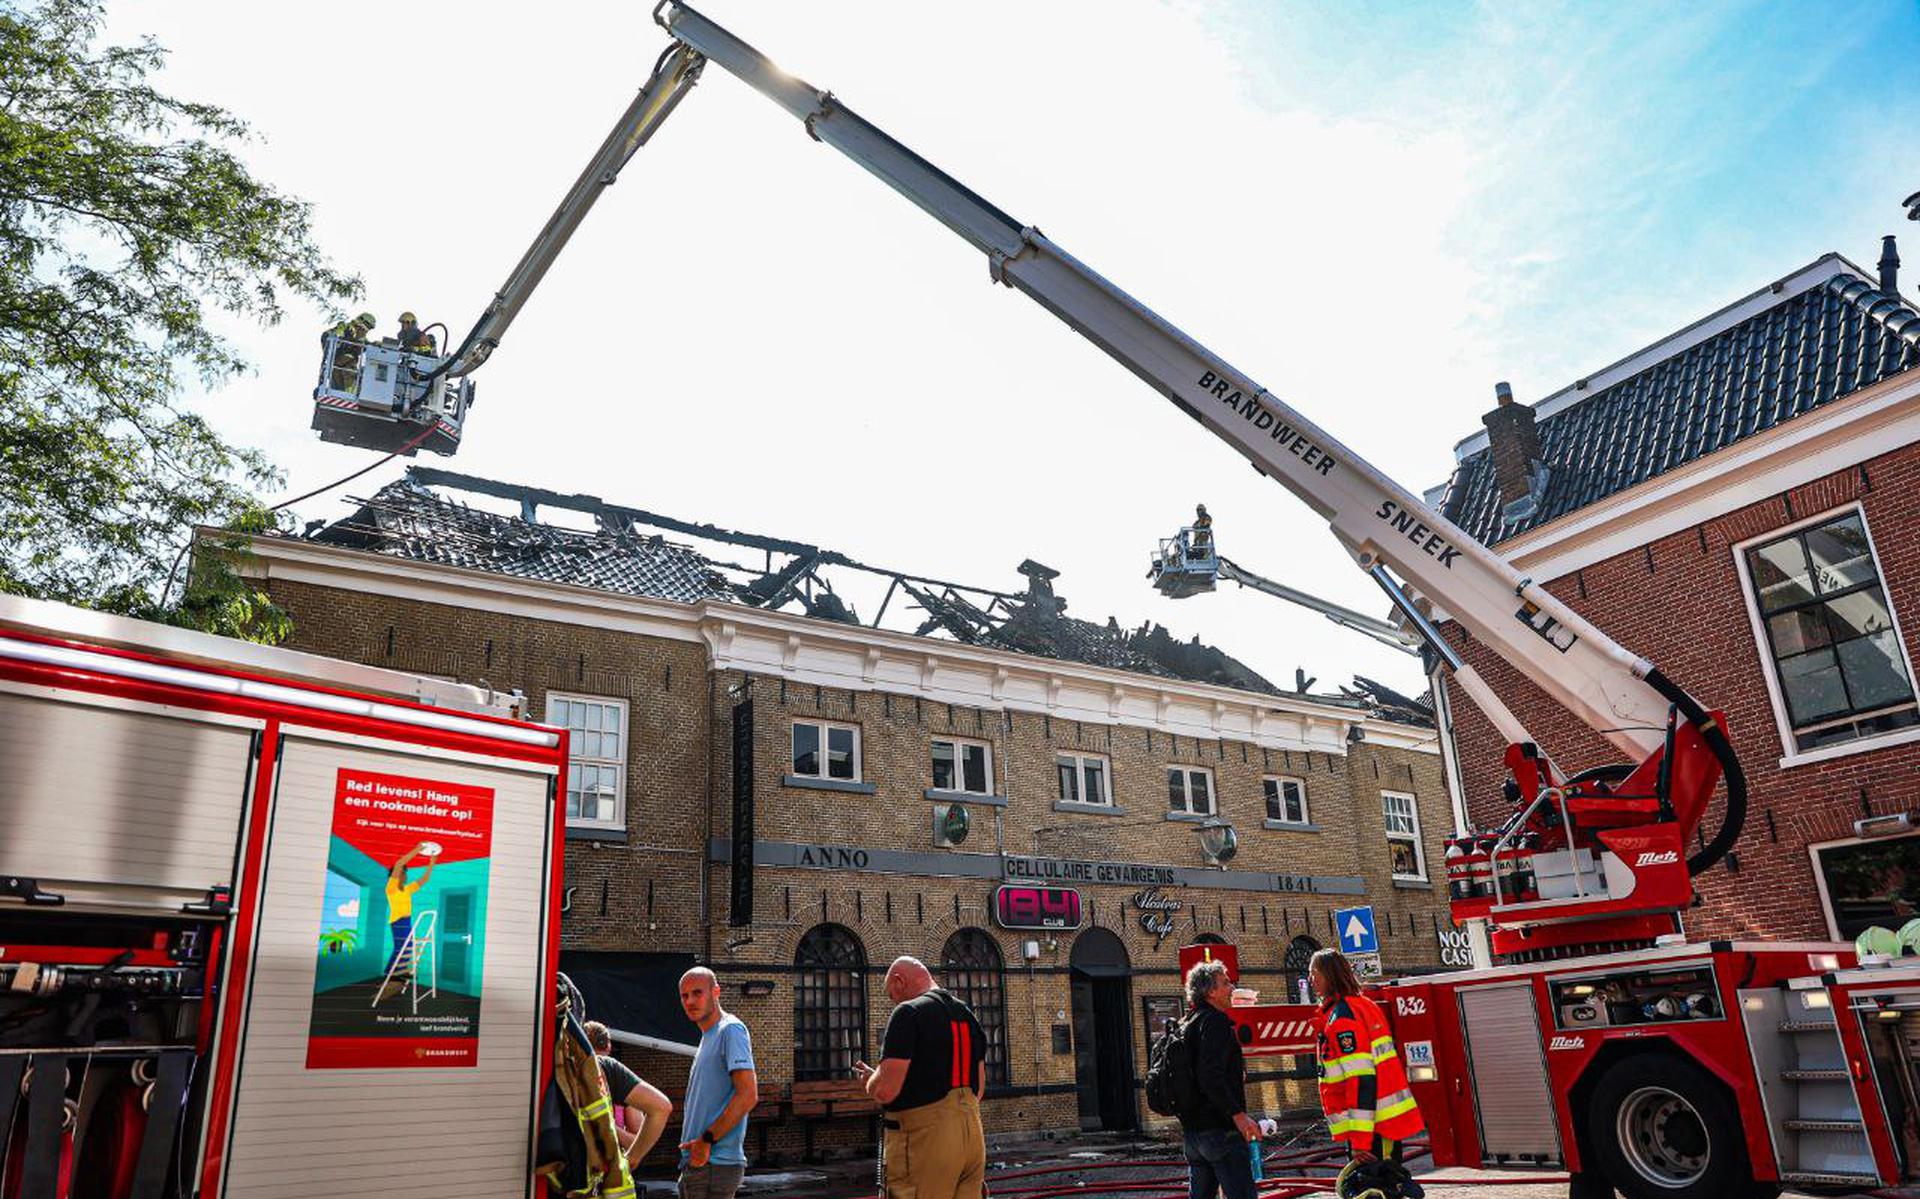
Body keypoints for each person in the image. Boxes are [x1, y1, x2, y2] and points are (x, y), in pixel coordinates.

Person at [854, 956, 987, 1199]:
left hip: (925, 1143)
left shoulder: (908, 1013)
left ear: (899, 981)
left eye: (892, 994)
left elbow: (885, 1091)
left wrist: (871, 1081)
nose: (893, 1000)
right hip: (973, 1138)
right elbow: (979, 1088)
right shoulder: (967, 1014)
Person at [1309, 949, 1424, 1171]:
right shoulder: (1362, 1006)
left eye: (1315, 973)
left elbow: (1361, 1080)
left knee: (1378, 1188)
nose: (1311, 980)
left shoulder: (1343, 1018)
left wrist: (1361, 1141)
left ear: (1330, 975)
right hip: (1380, 1123)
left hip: (1373, 1128)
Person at [1175, 959, 1261, 1199]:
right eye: (1225, 983)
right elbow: (1210, 1075)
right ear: (1210, 991)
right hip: (1220, 1131)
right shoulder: (1216, 1022)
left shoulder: (1187, 1023)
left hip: (1193, 1134)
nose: (1232, 988)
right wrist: (1238, 1115)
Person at [676, 967, 757, 1199]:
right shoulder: (708, 1036)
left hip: (714, 1163)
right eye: (685, 995)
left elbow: (748, 1095)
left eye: (697, 993)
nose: (690, 1001)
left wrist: (706, 1141)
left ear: (716, 992)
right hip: (699, 1162)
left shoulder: (730, 1030)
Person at [584, 1020, 674, 1173]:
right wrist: (631, 1159)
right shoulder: (619, 1080)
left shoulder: (571, 1071)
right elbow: (659, 1110)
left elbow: (633, 1139)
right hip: (610, 1174)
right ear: (608, 1046)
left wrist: (608, 1126)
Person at [381, 842, 434, 980]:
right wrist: (417, 849)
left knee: (408, 947)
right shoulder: (391, 888)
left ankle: (401, 970)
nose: (405, 876)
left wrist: (432, 861)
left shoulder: (407, 889)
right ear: (397, 874)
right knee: (401, 947)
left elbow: (424, 879)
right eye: (404, 873)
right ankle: (390, 972)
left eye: (405, 873)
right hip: (397, 921)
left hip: (407, 921)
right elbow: (398, 865)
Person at [325, 311, 376, 392]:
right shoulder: (345, 328)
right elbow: (329, 336)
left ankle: (347, 392)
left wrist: (375, 344)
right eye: (367, 325)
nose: (366, 330)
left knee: (349, 373)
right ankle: (344, 391)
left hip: (344, 364)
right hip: (338, 359)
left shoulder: (361, 336)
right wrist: (339, 334)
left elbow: (365, 344)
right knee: (344, 372)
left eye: (369, 328)